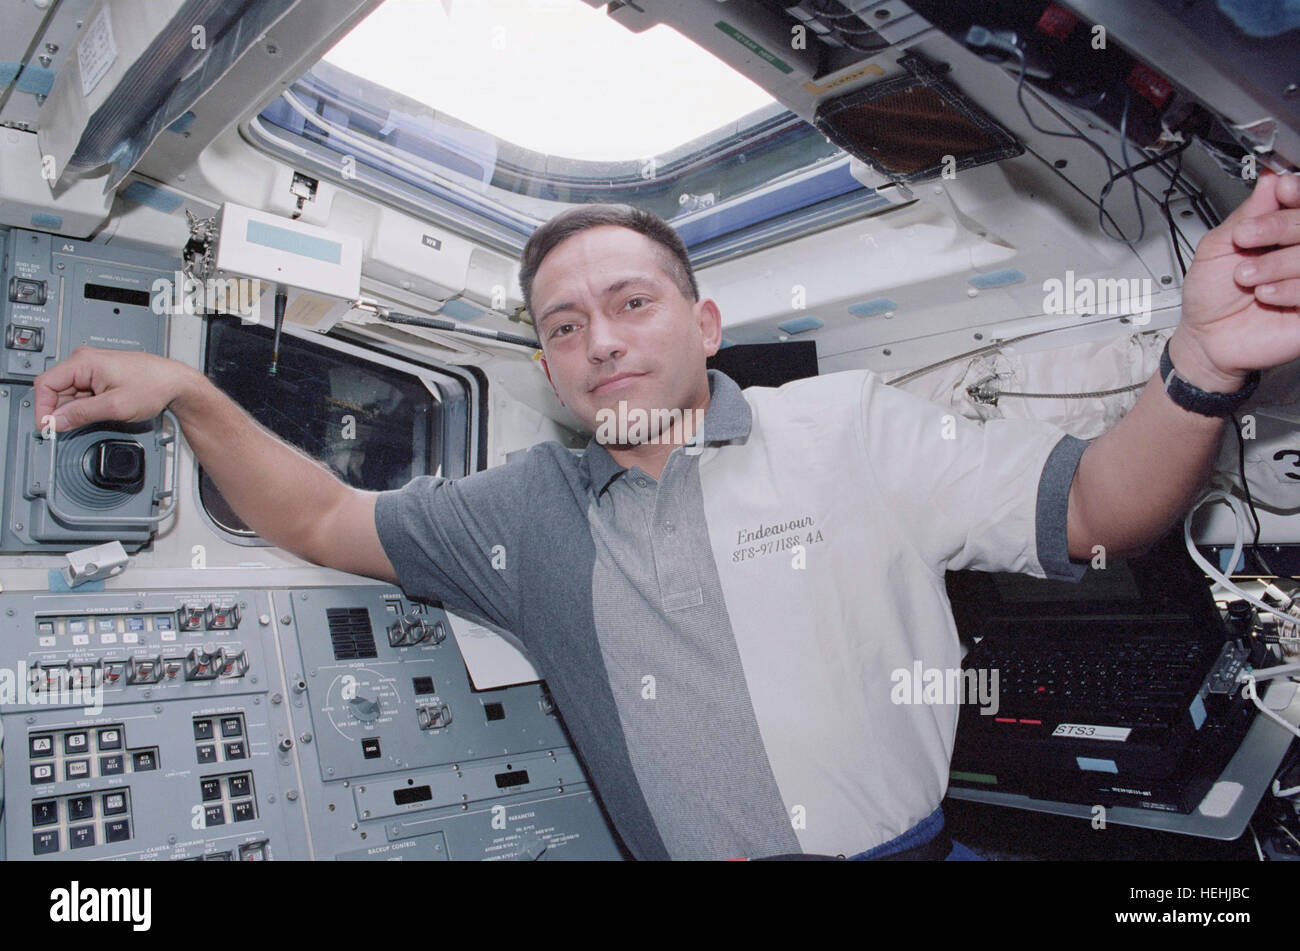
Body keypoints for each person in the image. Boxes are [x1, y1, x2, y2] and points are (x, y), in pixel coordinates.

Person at [33, 171, 1300, 861]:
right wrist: (192, 392)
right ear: (545, 365)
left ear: (701, 327)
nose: (600, 342)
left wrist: (1195, 367)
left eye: (632, 304)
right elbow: (318, 519)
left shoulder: (846, 426)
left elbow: (1094, 508)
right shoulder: (517, 513)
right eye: (564, 326)